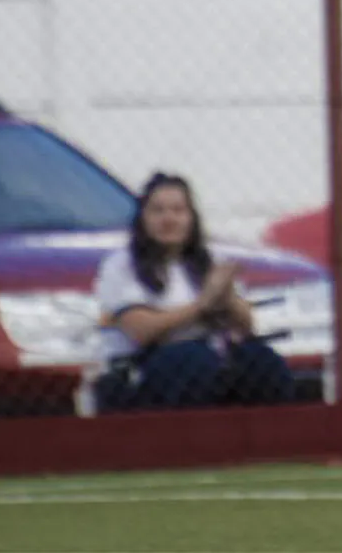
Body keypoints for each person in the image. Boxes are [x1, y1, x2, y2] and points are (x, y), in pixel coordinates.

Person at [92, 173, 294, 411]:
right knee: (192, 359)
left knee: (261, 360)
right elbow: (142, 331)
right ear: (142, 218)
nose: (169, 219)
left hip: (211, 361)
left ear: (192, 218)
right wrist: (202, 305)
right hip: (148, 366)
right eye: (158, 211)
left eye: (178, 211)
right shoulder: (122, 265)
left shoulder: (211, 258)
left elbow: (246, 326)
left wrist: (227, 297)